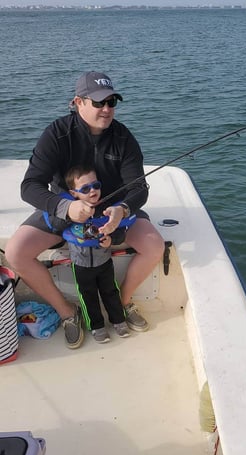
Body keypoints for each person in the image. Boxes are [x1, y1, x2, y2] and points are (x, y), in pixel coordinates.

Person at [5, 71, 165, 349]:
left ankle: (123, 304)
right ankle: (68, 313)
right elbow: (30, 186)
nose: (106, 109)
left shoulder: (123, 137)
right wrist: (65, 207)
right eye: (99, 102)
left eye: (112, 102)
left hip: (112, 213)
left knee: (154, 246)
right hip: (65, 211)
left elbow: (139, 188)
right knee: (16, 252)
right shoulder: (57, 134)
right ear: (78, 102)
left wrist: (122, 210)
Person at [62, 165, 131, 344]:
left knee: (111, 291)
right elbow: (53, 224)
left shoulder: (108, 209)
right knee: (88, 296)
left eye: (96, 185)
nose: (92, 191)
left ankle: (119, 320)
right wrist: (68, 213)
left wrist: (112, 239)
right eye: (85, 189)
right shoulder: (69, 211)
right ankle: (97, 326)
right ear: (74, 193)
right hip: (81, 265)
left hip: (104, 262)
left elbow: (122, 231)